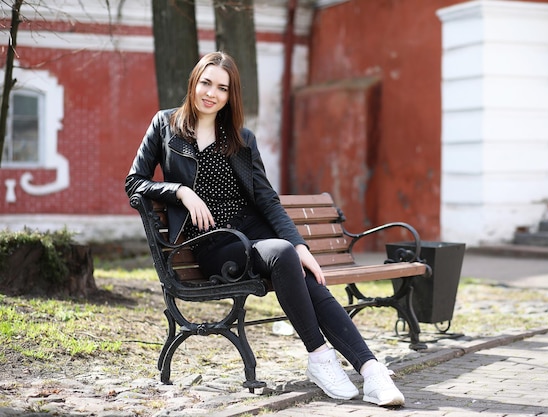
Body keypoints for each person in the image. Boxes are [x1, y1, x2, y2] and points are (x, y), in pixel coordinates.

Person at [125, 51, 405, 407]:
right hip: (214, 244)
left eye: (222, 88)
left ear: (231, 95)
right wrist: (180, 191)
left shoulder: (240, 139)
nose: (211, 93)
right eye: (206, 83)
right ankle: (321, 355)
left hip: (252, 233)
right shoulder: (166, 125)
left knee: (302, 269)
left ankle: (369, 368)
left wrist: (301, 246)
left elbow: (268, 200)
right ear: (194, 83)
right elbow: (134, 181)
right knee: (283, 254)